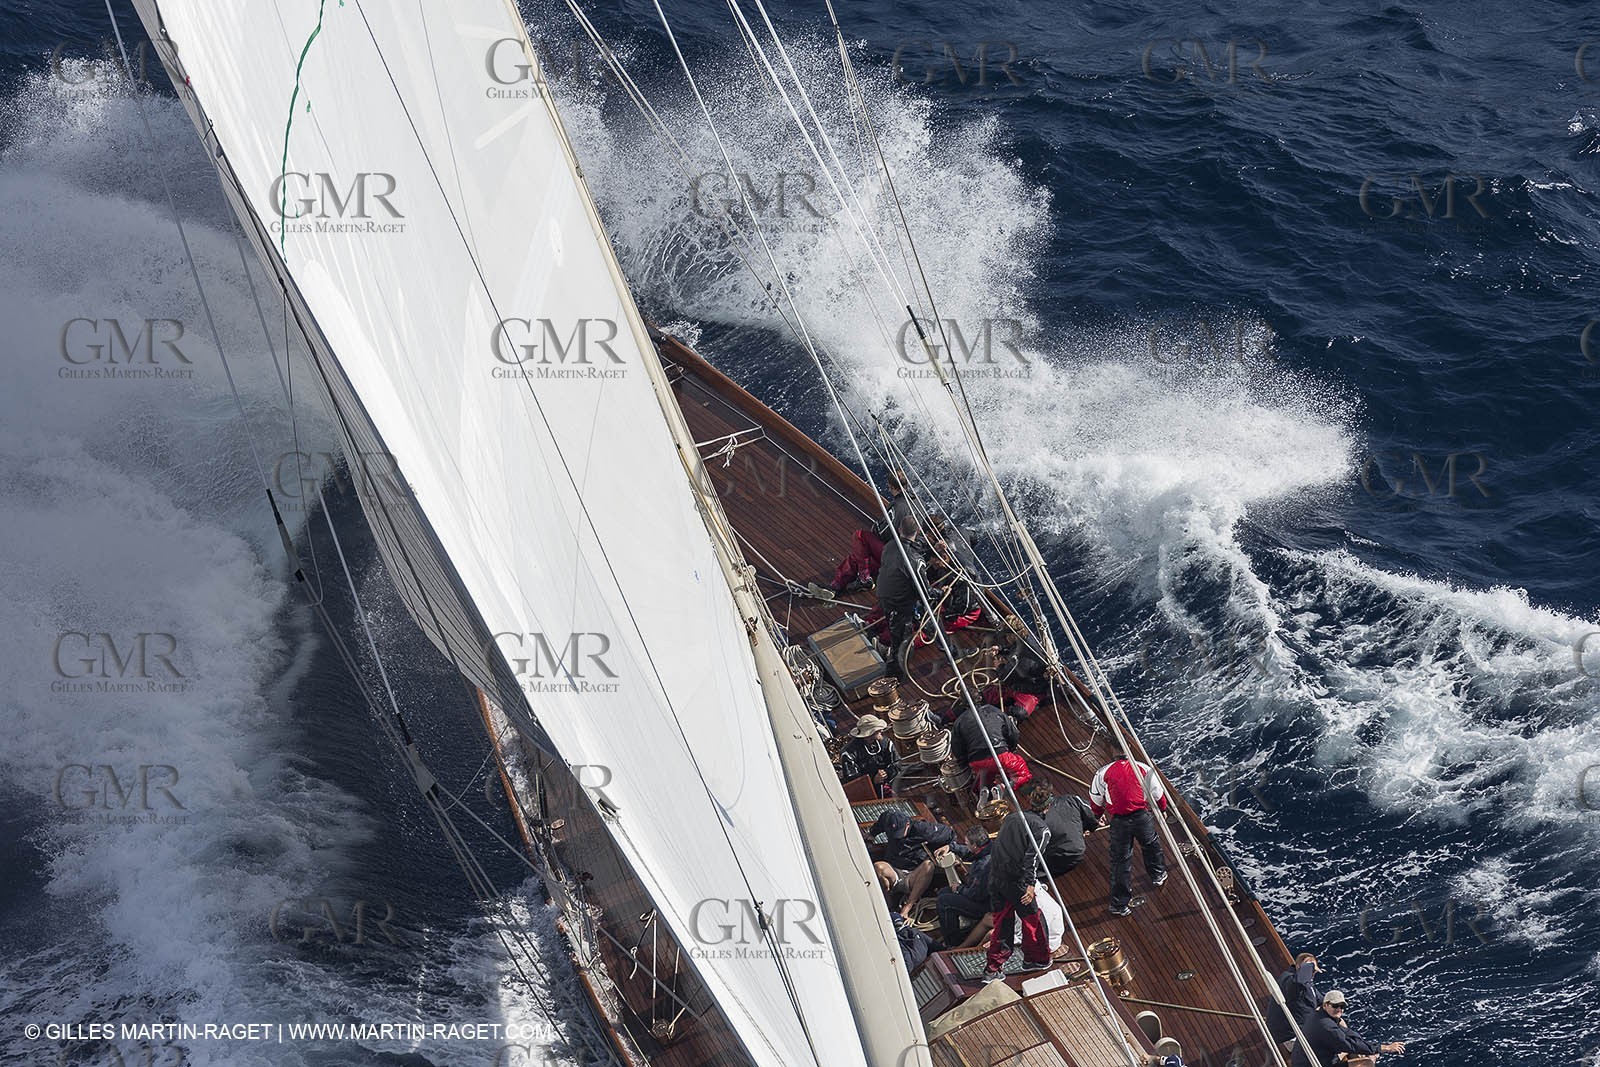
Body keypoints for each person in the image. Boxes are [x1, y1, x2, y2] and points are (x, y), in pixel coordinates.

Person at [1088, 756, 1169, 916]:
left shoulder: (1102, 773)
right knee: (1151, 845)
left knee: (1121, 862)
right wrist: (1163, 808)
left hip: (1119, 822)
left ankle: (1119, 905)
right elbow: (1158, 794)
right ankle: (1158, 874)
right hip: (1141, 817)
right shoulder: (1144, 768)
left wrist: (1097, 816)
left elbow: (1095, 800)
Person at [980, 809, 1053, 983]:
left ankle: (992, 968)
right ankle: (1035, 959)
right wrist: (1029, 885)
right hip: (1017, 883)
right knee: (1033, 921)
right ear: (1046, 808)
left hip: (996, 879)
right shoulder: (1042, 830)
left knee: (1002, 923)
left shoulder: (1012, 817)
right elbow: (1032, 858)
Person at [868, 810, 972, 919]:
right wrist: (872, 833)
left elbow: (949, 834)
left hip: (912, 874)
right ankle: (888, 906)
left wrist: (948, 847)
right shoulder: (888, 818)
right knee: (878, 867)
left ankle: (907, 907)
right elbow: (881, 821)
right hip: (893, 869)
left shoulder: (924, 830)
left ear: (908, 825)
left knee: (928, 865)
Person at [872, 514, 928, 678]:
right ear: (917, 531)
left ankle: (879, 641)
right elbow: (924, 591)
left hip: (884, 596)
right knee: (903, 641)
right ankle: (894, 675)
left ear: (899, 529)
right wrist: (940, 593)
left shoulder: (889, 546)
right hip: (900, 605)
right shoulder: (916, 561)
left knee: (892, 626)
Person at [1289, 990, 1404, 1067]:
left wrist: (1367, 1046)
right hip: (1312, 1064)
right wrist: (1384, 1048)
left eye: (1342, 1006)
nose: (1339, 1009)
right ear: (1325, 1005)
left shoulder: (1318, 1015)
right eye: (1335, 1006)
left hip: (1303, 1059)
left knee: (1360, 1049)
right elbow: (1351, 1045)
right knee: (1366, 1062)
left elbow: (1346, 1034)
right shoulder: (1327, 1027)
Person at [951, 702, 1031, 804]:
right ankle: (1003, 787)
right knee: (1022, 774)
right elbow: (1013, 733)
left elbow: (957, 748)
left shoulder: (959, 722)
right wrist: (1010, 749)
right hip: (1001, 756)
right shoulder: (994, 711)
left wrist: (965, 764)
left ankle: (983, 791)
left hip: (977, 761)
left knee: (983, 778)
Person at [935, 826, 994, 946]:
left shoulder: (984, 866)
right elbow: (970, 853)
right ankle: (953, 930)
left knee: (944, 902)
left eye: (967, 843)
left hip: (985, 905)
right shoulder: (989, 848)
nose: (966, 845)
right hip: (980, 894)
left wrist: (959, 888)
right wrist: (951, 847)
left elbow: (976, 895)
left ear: (975, 846)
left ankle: (952, 943)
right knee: (943, 892)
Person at [1027, 784, 1101, 877]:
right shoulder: (1070, 799)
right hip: (1076, 852)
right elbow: (1090, 812)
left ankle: (1038, 877)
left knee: (1043, 862)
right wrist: (1092, 825)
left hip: (1061, 851)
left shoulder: (1034, 820)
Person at [1266, 953, 1322, 1050]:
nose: (1312, 973)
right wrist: (1309, 965)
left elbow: (1320, 999)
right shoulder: (1291, 982)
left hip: (1302, 1027)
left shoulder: (1307, 983)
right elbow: (1299, 982)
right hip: (1292, 1038)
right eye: (1310, 969)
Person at [836, 715, 898, 796]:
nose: (880, 732)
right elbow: (852, 779)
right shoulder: (848, 753)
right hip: (865, 792)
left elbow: (897, 763)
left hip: (887, 784)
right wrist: (873, 779)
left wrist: (887, 773)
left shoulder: (886, 743)